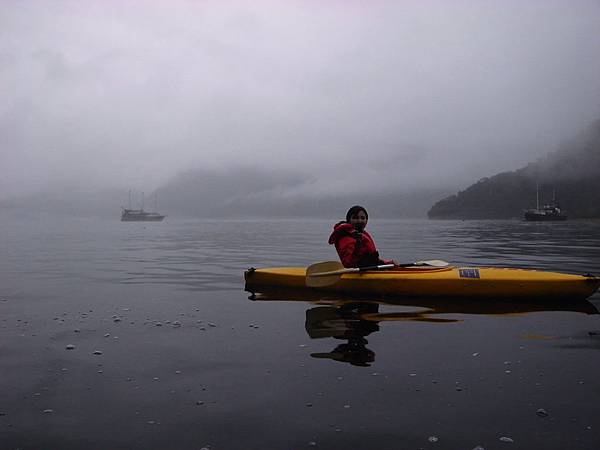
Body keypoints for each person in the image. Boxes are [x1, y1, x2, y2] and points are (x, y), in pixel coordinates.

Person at [328, 205, 396, 268]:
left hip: (368, 269)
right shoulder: (346, 237)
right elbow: (348, 264)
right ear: (348, 220)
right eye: (355, 218)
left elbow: (371, 258)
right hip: (357, 273)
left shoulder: (361, 234)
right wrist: (358, 244)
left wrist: (388, 263)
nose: (359, 221)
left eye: (363, 218)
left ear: (367, 220)